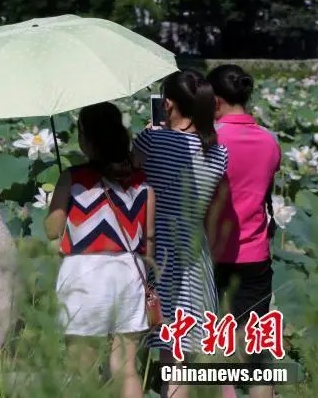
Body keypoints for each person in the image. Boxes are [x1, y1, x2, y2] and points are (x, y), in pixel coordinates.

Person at [46, 102, 155, 398]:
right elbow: (150, 238)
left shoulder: (72, 178)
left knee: (81, 368)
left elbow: (52, 229)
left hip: (83, 274)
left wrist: (56, 205)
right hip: (128, 272)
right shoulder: (142, 181)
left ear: (85, 139)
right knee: (127, 367)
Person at [133, 70, 229, 398]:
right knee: (183, 347)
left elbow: (129, 181)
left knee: (166, 345)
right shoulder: (218, 152)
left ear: (168, 103)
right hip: (195, 247)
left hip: (158, 243)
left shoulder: (151, 140)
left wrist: (148, 133)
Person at [207, 64, 281, 398]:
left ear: (217, 101)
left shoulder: (209, 142)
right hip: (256, 254)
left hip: (213, 253)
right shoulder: (270, 142)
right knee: (256, 353)